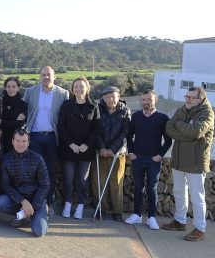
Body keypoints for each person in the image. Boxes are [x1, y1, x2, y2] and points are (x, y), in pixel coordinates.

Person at [163, 86, 214, 241]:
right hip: (178, 161)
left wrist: (179, 127)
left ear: (200, 99)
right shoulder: (183, 109)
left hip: (195, 163)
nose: (187, 99)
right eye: (186, 96)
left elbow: (196, 132)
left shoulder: (208, 114)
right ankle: (180, 221)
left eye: (191, 97)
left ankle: (200, 228)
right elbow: (168, 128)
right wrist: (187, 133)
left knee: (197, 197)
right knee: (179, 192)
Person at [23, 66, 69, 211]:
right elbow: (22, 110)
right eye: (43, 74)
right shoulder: (30, 92)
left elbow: (66, 116)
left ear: (54, 76)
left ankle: (48, 203)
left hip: (52, 137)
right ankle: (34, 201)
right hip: (34, 136)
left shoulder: (63, 93)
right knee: (34, 170)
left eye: (49, 74)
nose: (46, 77)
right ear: (40, 76)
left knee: (49, 170)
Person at [125, 90, 172, 230]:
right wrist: (131, 152)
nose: (146, 102)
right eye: (143, 99)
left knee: (152, 189)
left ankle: (151, 217)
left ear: (155, 100)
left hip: (153, 160)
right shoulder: (136, 116)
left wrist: (160, 155)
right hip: (137, 158)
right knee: (138, 188)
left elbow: (168, 141)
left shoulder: (163, 118)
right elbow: (129, 136)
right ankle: (137, 215)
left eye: (149, 99)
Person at [0, 129, 50, 237]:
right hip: (17, 199)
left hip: (36, 199)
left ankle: (39, 211)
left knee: (39, 232)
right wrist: (22, 201)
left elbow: (45, 185)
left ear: (28, 142)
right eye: (18, 141)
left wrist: (32, 206)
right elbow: (5, 185)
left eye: (24, 141)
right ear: (12, 142)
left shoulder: (38, 159)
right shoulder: (6, 159)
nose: (20, 144)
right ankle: (22, 216)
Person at [58, 76, 100, 219]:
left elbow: (96, 129)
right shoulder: (66, 105)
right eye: (76, 86)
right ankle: (68, 203)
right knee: (68, 178)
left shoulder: (94, 106)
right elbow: (61, 126)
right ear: (72, 89)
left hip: (86, 150)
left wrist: (85, 145)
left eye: (82, 86)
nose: (79, 89)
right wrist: (71, 144)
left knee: (82, 179)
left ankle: (81, 205)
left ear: (87, 88)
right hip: (69, 148)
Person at [90, 86, 131, 222]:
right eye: (107, 97)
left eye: (113, 96)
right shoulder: (98, 109)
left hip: (117, 153)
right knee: (99, 182)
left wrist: (112, 149)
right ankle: (102, 209)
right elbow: (95, 130)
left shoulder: (125, 111)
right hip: (99, 151)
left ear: (119, 96)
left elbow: (125, 132)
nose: (110, 99)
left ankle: (117, 211)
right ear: (103, 98)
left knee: (116, 183)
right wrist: (101, 148)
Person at [0, 76, 28, 153]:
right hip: (0, 141)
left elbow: (20, 124)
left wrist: (2, 122)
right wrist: (14, 122)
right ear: (5, 88)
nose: (11, 89)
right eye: (8, 87)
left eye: (14, 87)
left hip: (16, 142)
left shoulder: (23, 104)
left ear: (18, 88)